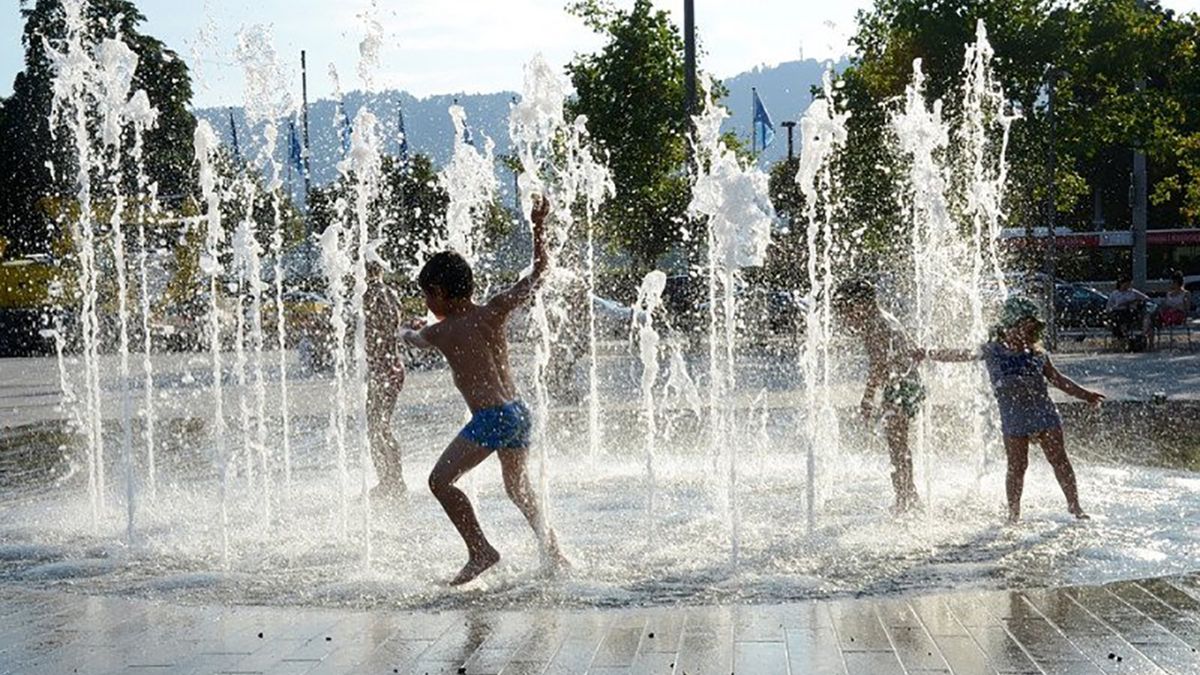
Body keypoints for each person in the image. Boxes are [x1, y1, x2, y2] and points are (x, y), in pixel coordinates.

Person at [400, 194, 566, 585]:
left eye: (427, 294)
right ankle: (554, 553)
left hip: (491, 418)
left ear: (439, 292)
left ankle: (480, 551)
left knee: (440, 482)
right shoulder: (494, 310)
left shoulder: (441, 331)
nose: (427, 302)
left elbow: (415, 339)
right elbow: (540, 274)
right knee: (518, 489)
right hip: (519, 413)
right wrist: (538, 227)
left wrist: (401, 330)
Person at [919, 296, 1104, 523]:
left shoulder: (1037, 354)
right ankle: (1013, 514)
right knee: (1017, 467)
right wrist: (927, 353)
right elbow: (959, 354)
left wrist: (1086, 396)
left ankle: (1075, 506)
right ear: (1010, 325)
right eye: (1025, 328)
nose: (1029, 334)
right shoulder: (992, 351)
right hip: (1014, 417)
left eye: (1032, 330)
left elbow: (1058, 379)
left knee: (1059, 459)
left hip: (1043, 412)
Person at [833, 278, 922, 513]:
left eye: (846, 307)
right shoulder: (884, 318)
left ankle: (905, 498)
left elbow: (879, 365)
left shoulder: (875, 325)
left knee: (897, 445)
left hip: (901, 387)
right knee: (898, 444)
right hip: (907, 383)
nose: (845, 316)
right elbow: (910, 349)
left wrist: (868, 398)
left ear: (860, 303)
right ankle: (907, 494)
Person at [364, 259, 407, 499]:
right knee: (379, 426)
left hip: (384, 371)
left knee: (378, 427)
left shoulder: (371, 295)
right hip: (390, 368)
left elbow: (373, 331)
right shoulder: (390, 294)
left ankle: (391, 481)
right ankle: (391, 479)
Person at [1106, 274, 1151, 349]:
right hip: (1118, 311)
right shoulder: (1115, 294)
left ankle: (1123, 338)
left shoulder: (1132, 292)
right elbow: (1109, 306)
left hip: (1130, 312)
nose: (1127, 286)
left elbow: (1146, 298)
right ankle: (1121, 337)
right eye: (1126, 284)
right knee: (1117, 318)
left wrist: (1135, 302)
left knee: (1124, 316)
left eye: (1129, 284)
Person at [1150, 270, 1192, 349]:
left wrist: (1176, 307)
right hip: (1167, 313)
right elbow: (1165, 305)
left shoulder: (1186, 293)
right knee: (1152, 317)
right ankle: (1150, 340)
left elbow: (1186, 308)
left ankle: (1160, 322)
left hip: (1179, 315)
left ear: (1177, 283)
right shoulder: (1169, 294)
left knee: (1168, 315)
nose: (1171, 284)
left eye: (1173, 282)